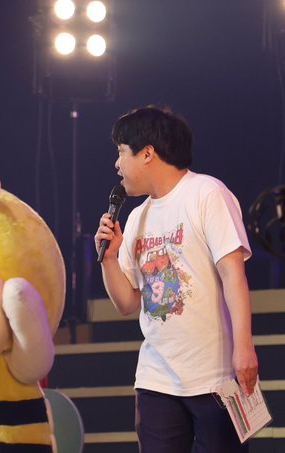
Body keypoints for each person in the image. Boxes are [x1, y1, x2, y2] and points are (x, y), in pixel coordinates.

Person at [94, 106, 259, 452]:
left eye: (122, 152)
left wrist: (244, 347)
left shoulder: (207, 194)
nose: (117, 164)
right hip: (157, 378)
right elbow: (127, 303)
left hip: (215, 376)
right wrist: (109, 260)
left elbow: (233, 274)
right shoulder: (137, 217)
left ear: (147, 153)